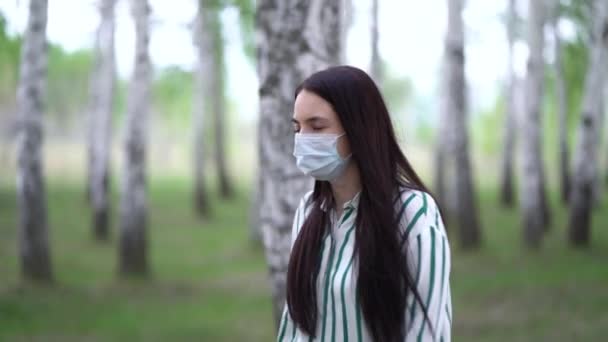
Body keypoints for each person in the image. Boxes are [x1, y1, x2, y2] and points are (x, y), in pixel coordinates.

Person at [277, 65, 452, 342]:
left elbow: (424, 330)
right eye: (297, 128)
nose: (302, 140)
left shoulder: (414, 214)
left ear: (358, 128)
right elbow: (295, 325)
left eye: (317, 126)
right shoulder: (308, 211)